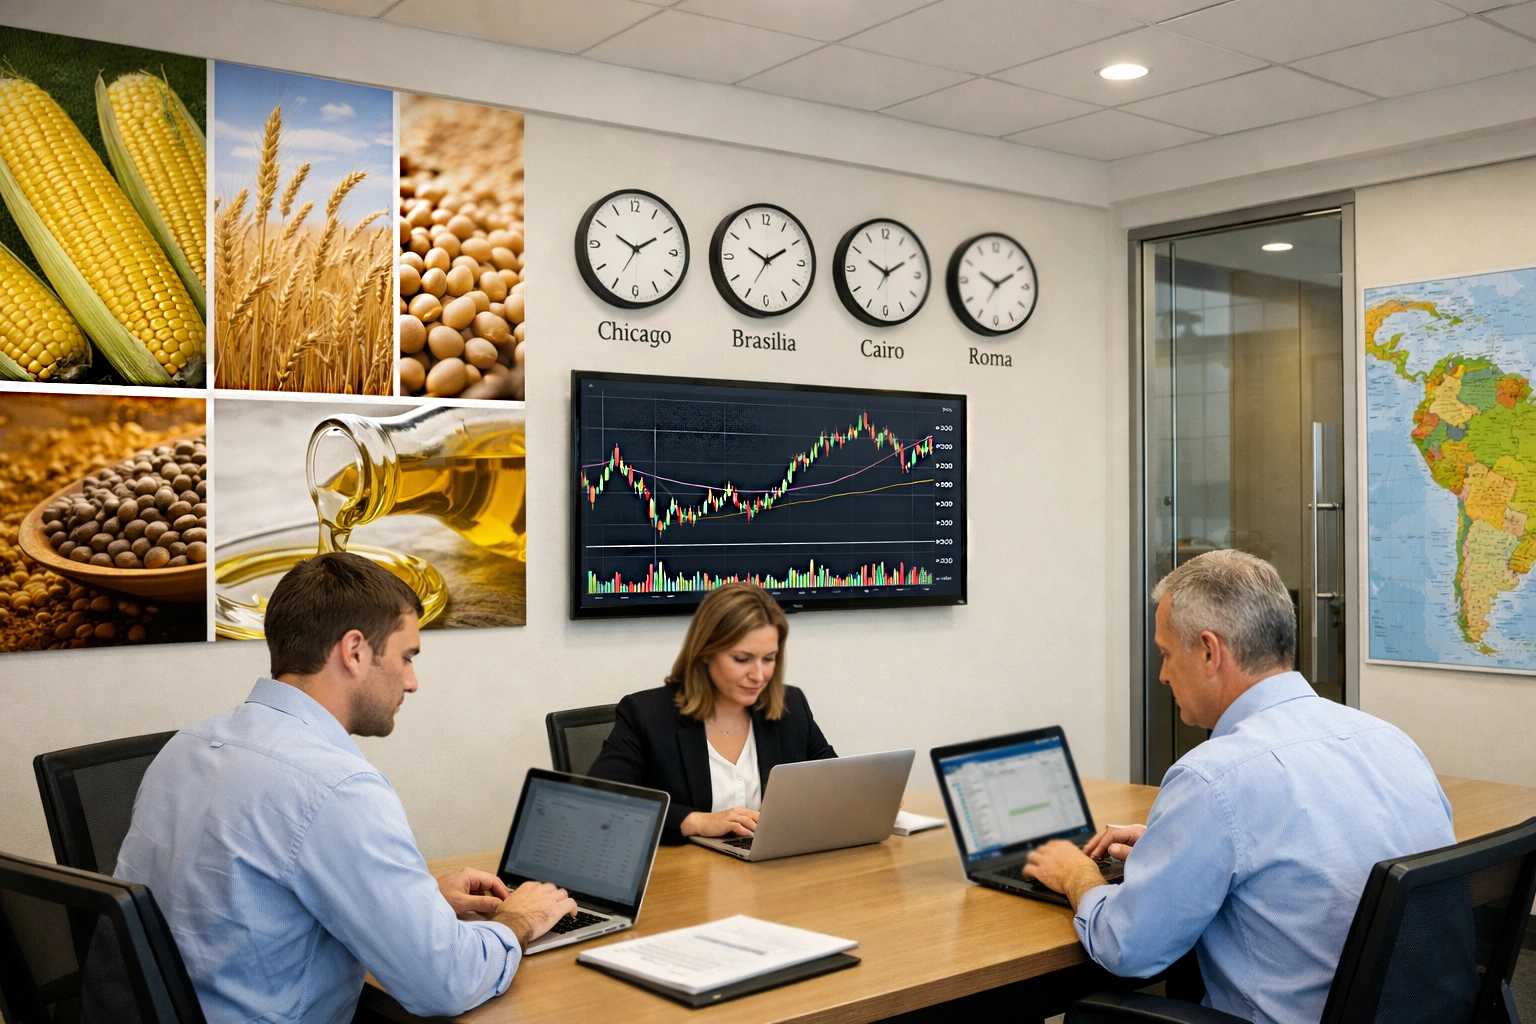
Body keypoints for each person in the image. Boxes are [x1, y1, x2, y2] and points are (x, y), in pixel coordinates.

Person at [114, 552, 576, 1023]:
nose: (412, 682)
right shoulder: (335, 788)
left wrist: (416, 903)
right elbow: (447, 981)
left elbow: (240, 906)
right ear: (354, 651)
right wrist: (518, 919)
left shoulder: (186, 745)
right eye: (406, 657)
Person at [1022, 549, 1455, 1024]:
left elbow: (1128, 948)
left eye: (1166, 653)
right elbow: (1312, 855)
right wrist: (1175, 850)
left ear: (1209, 651)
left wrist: (1074, 874)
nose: (1163, 674)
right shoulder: (1389, 739)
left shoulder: (1214, 777)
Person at [588, 582, 836, 843]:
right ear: (706, 652)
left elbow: (836, 787)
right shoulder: (647, 715)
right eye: (742, 659)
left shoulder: (790, 706)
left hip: (773, 871)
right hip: (685, 877)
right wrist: (696, 821)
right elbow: (601, 803)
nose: (758, 675)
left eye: (768, 658)